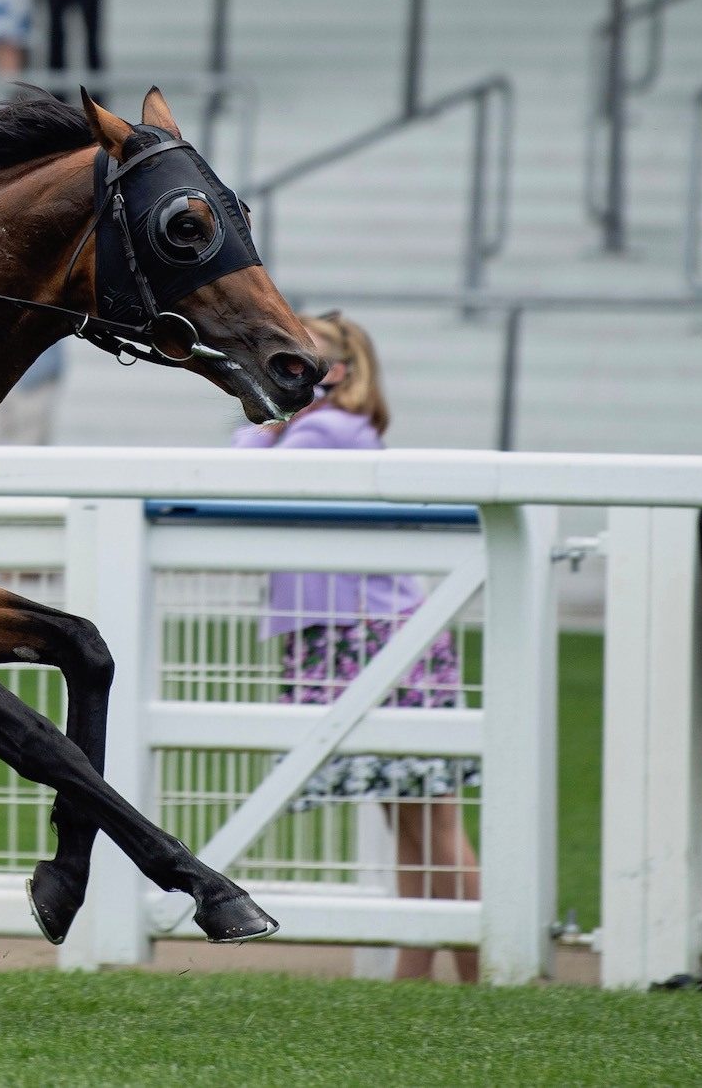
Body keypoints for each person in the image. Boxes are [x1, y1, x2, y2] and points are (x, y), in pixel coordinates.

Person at [235, 311, 482, 982]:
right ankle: (421, 972)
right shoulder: (337, 428)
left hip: (370, 638)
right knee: (413, 822)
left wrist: (270, 419)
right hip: (365, 637)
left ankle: (480, 970)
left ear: (334, 372)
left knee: (430, 824)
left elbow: (240, 470)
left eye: (297, 361)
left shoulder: (325, 430)